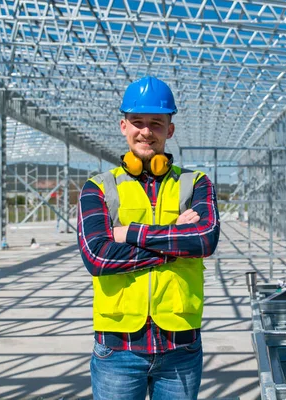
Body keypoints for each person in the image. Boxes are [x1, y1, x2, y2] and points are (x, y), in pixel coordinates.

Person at [77, 76, 220, 400]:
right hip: (118, 347)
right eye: (137, 122)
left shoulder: (195, 183)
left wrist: (129, 234)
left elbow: (204, 241)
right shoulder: (99, 187)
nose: (146, 131)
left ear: (169, 130)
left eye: (156, 123)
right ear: (123, 126)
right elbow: (97, 257)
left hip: (180, 346)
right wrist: (175, 243)